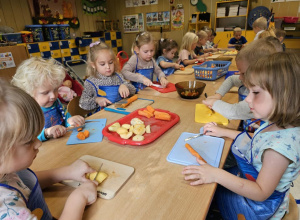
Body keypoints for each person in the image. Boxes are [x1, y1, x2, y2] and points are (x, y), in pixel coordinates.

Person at [182, 52, 300, 220]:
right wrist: (223, 132)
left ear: (285, 96)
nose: (248, 100)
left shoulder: (278, 150)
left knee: (207, 196)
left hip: (258, 209)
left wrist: (216, 174)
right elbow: (256, 142)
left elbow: (260, 192)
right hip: (254, 182)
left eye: (256, 93)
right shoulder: (275, 122)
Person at [0, 80, 98, 219]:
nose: (38, 143)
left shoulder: (5, 170)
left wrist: (67, 172)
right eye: (29, 141)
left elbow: (23, 182)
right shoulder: (7, 210)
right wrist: (78, 198)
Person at [203, 39, 279, 121]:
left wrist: (213, 102)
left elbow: (233, 112)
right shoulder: (255, 81)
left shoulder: (262, 96)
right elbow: (231, 79)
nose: (240, 77)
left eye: (243, 73)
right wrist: (218, 95)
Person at [11, 57, 85, 142]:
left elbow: (65, 117)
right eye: (45, 93)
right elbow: (27, 138)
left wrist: (70, 120)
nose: (53, 96)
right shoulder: (28, 112)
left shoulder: (56, 102)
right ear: (29, 93)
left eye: (55, 89)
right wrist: (47, 133)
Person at [79, 41, 136, 111]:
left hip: (121, 112)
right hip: (102, 117)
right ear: (93, 65)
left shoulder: (118, 76)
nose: (108, 67)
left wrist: (125, 86)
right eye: (102, 64)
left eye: (110, 62)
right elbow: (82, 103)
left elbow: (133, 90)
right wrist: (96, 100)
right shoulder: (90, 82)